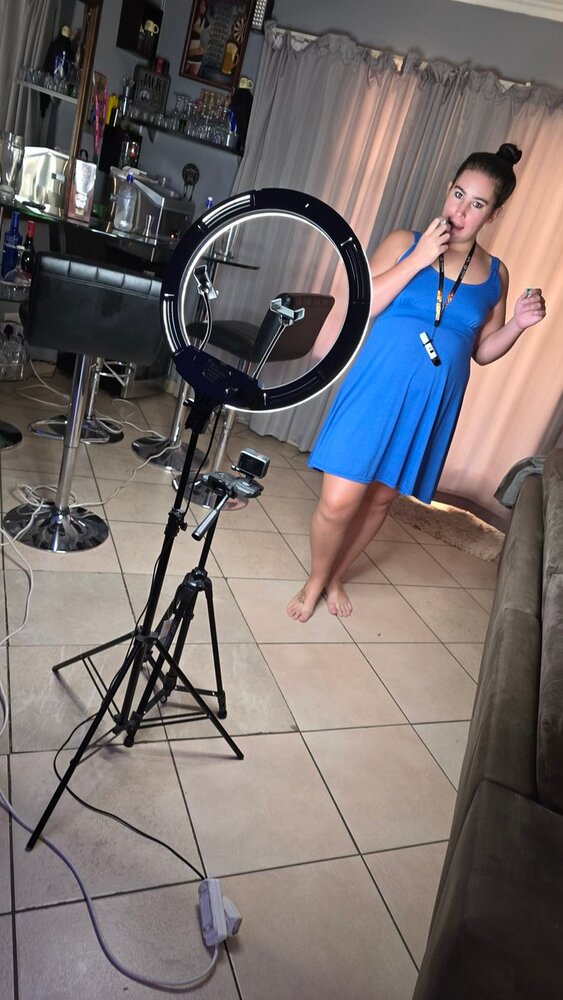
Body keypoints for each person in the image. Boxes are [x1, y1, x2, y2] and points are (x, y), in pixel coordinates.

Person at [287, 143, 546, 623]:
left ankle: (336, 575)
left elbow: (482, 350)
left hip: (431, 401)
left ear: (494, 214)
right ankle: (316, 579)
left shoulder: (497, 274)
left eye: (477, 204)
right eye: (458, 194)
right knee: (338, 500)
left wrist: (517, 325)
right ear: (448, 189)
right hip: (376, 387)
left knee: (380, 499)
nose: (460, 211)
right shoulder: (405, 241)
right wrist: (420, 257)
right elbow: (363, 305)